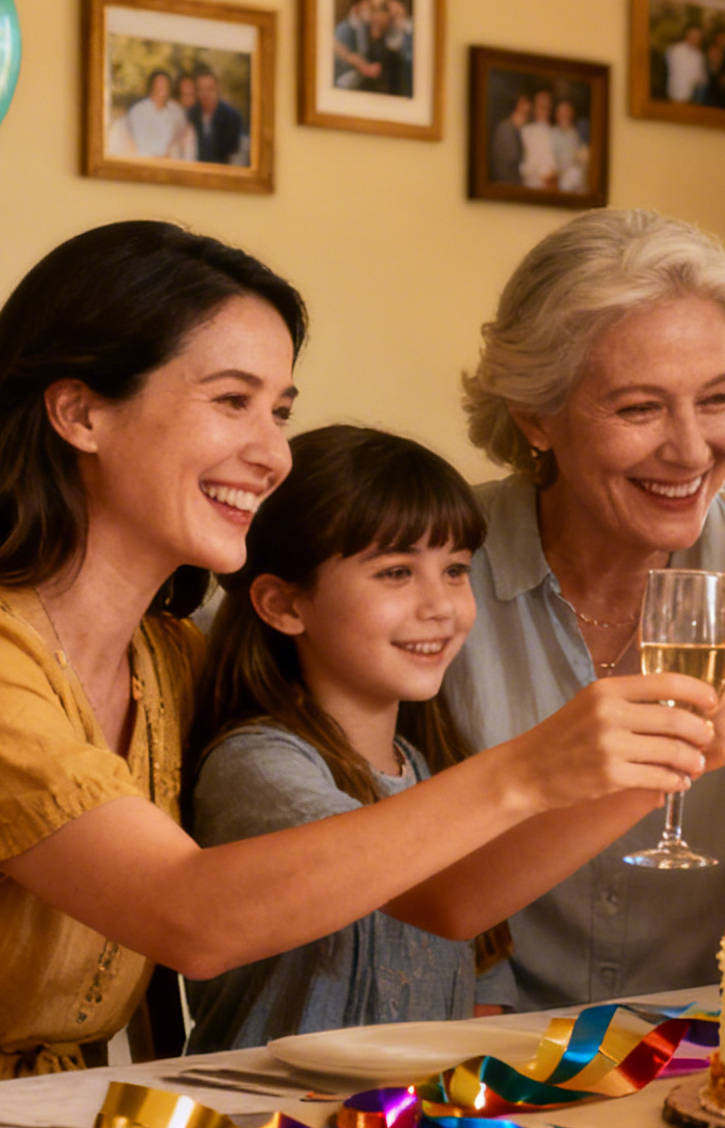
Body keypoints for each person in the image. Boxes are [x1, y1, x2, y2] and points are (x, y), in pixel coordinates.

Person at [0, 212, 725, 1019]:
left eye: (279, 409)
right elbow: (191, 917)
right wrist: (534, 766)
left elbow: (446, 899)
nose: (272, 454)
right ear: (79, 413)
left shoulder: (168, 656)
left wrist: (642, 763)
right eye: (231, 403)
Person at [454, 208, 725, 1008]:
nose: (691, 449)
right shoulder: (433, 561)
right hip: (466, 1062)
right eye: (639, 409)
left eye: (716, 399)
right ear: (537, 414)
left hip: (718, 1053)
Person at [183, 426, 520, 1050]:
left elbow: (478, 1000)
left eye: (454, 570)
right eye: (396, 572)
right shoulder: (257, 767)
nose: (441, 605)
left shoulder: (428, 769)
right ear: (284, 605)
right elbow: (440, 898)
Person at [122, 70, 189, 161]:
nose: (162, 88)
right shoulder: (139, 111)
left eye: (165, 85)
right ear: (152, 87)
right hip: (145, 161)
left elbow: (182, 138)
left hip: (171, 162)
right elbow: (137, 142)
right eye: (159, 84)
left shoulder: (176, 111)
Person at [188, 67, 247, 167]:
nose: (205, 94)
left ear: (218, 89)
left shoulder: (232, 117)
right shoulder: (192, 114)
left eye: (210, 89)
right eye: (201, 89)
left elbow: (234, 155)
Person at [487, 93, 530, 185]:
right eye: (525, 103)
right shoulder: (505, 129)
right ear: (519, 105)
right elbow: (508, 160)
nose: (529, 107)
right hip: (507, 183)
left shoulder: (523, 129)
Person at [519, 89, 558, 190]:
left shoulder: (555, 131)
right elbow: (528, 164)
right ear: (534, 108)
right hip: (532, 183)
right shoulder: (526, 131)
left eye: (547, 107)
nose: (544, 110)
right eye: (541, 106)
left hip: (554, 183)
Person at [662, 23, 708, 105]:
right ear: (687, 34)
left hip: (691, 99)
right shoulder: (675, 50)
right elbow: (679, 73)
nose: (695, 38)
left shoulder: (698, 55)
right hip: (675, 97)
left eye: (698, 36)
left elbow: (700, 78)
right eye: (693, 35)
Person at [552, 99, 589, 196]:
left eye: (567, 112)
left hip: (573, 175)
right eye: (562, 112)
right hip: (558, 176)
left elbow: (580, 156)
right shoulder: (553, 133)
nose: (565, 115)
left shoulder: (574, 134)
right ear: (557, 115)